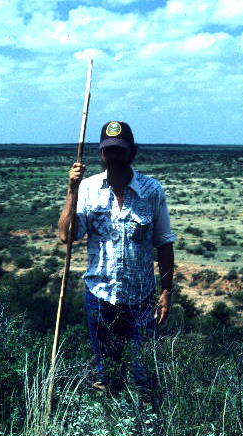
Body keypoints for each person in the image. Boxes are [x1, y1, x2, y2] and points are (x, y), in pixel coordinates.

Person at [58, 121, 175, 407]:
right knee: (106, 376)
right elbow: (67, 235)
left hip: (142, 301)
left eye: (120, 151)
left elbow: (164, 243)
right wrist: (71, 190)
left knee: (144, 375)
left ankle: (147, 435)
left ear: (132, 153)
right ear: (101, 154)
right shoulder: (87, 188)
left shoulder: (152, 190)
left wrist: (166, 292)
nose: (114, 157)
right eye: (108, 151)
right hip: (100, 298)